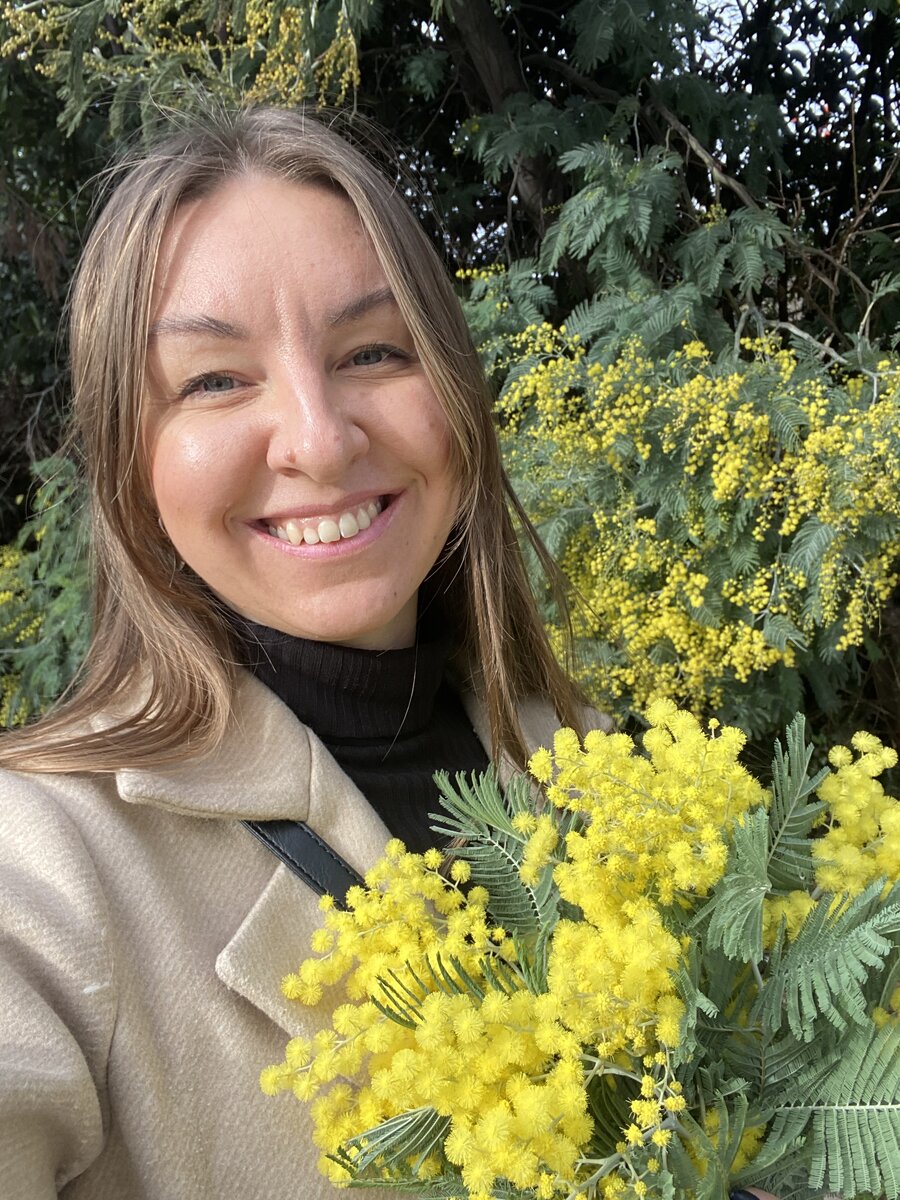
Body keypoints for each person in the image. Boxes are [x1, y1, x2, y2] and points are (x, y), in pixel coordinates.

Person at [0, 105, 592, 1198]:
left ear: (456, 395)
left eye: (373, 351)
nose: (320, 439)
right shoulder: (43, 864)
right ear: (132, 462)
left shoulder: (596, 764)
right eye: (216, 380)